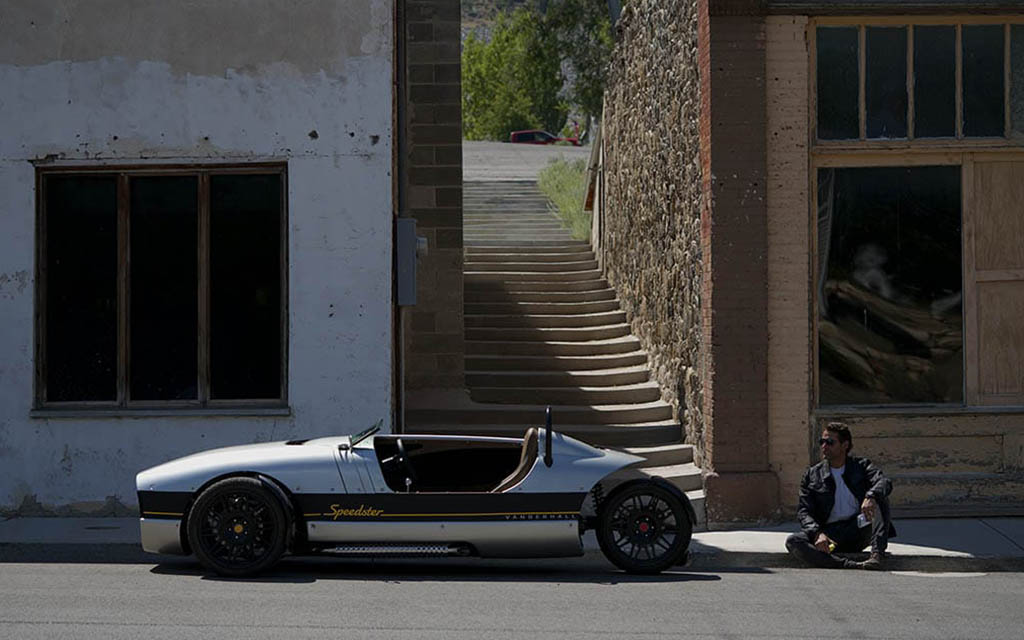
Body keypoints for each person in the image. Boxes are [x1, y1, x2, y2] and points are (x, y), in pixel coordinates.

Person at [785, 421, 896, 570]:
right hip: (831, 536)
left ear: (845, 445)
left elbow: (884, 482)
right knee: (794, 541)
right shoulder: (812, 474)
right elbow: (804, 511)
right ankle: (847, 565)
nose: (824, 446)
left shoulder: (861, 466)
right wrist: (817, 533)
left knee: (880, 498)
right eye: (822, 442)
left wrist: (871, 496)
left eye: (830, 442)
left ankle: (877, 556)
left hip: (858, 528)